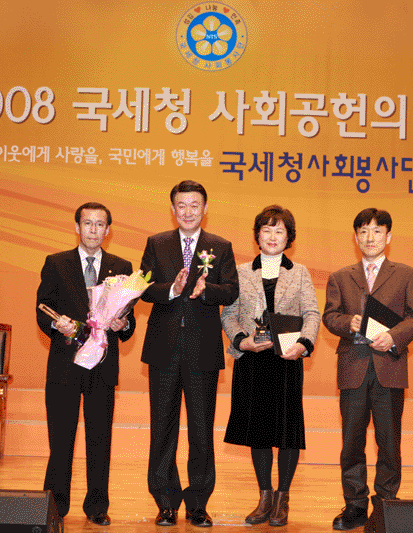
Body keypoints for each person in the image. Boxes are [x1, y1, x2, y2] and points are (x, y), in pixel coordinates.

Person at [139, 180, 238, 528]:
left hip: (202, 351)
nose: (188, 211)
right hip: (163, 349)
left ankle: (198, 503)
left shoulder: (220, 246)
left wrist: (205, 290)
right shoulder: (157, 243)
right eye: (181, 205)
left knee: (201, 430)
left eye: (194, 205)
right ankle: (165, 502)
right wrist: (172, 289)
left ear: (205, 209)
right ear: (173, 209)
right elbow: (143, 287)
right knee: (162, 428)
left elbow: (232, 290)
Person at [323, 208, 413, 530]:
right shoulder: (340, 277)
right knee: (351, 443)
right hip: (353, 367)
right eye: (364, 232)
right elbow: (330, 316)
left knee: (389, 442)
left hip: (389, 367)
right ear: (356, 238)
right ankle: (354, 506)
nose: (370, 238)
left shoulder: (407, 275)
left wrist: (393, 337)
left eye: (377, 231)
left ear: (388, 236)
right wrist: (348, 323)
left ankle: (385, 506)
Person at [36, 202, 136, 527]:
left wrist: (123, 324)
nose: (93, 229)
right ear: (77, 227)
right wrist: (57, 324)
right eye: (87, 223)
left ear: (108, 231)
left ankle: (97, 506)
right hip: (64, 364)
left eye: (100, 224)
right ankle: (56, 506)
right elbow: (42, 309)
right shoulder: (56, 263)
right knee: (60, 439)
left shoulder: (121, 266)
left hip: (102, 366)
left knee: (99, 439)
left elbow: (129, 318)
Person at [220, 205, 320, 527]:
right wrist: (241, 341)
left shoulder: (300, 272)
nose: (273, 236)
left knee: (288, 432)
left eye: (280, 231)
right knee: (258, 431)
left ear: (289, 237)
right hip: (252, 361)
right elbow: (228, 314)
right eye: (267, 230)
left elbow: (312, 314)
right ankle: (264, 496)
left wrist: (303, 344)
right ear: (257, 235)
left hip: (286, 361)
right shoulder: (240, 271)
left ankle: (282, 497)